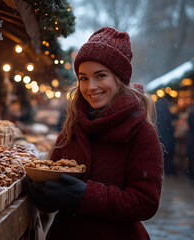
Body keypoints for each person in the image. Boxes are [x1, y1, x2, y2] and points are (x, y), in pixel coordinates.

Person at [27, 26, 163, 239]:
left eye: (100, 76)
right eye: (83, 78)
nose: (91, 86)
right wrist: (44, 196)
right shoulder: (72, 127)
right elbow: (55, 187)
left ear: (118, 79)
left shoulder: (141, 132)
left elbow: (145, 202)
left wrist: (85, 195)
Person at [155, 98, 177, 176]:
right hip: (167, 135)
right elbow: (171, 117)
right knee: (168, 152)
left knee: (163, 152)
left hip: (160, 134)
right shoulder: (166, 108)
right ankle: (168, 170)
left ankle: (165, 169)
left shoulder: (157, 107)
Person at [186, 103, 194, 184]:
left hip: (191, 138)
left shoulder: (191, 111)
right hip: (192, 138)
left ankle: (190, 175)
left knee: (191, 158)